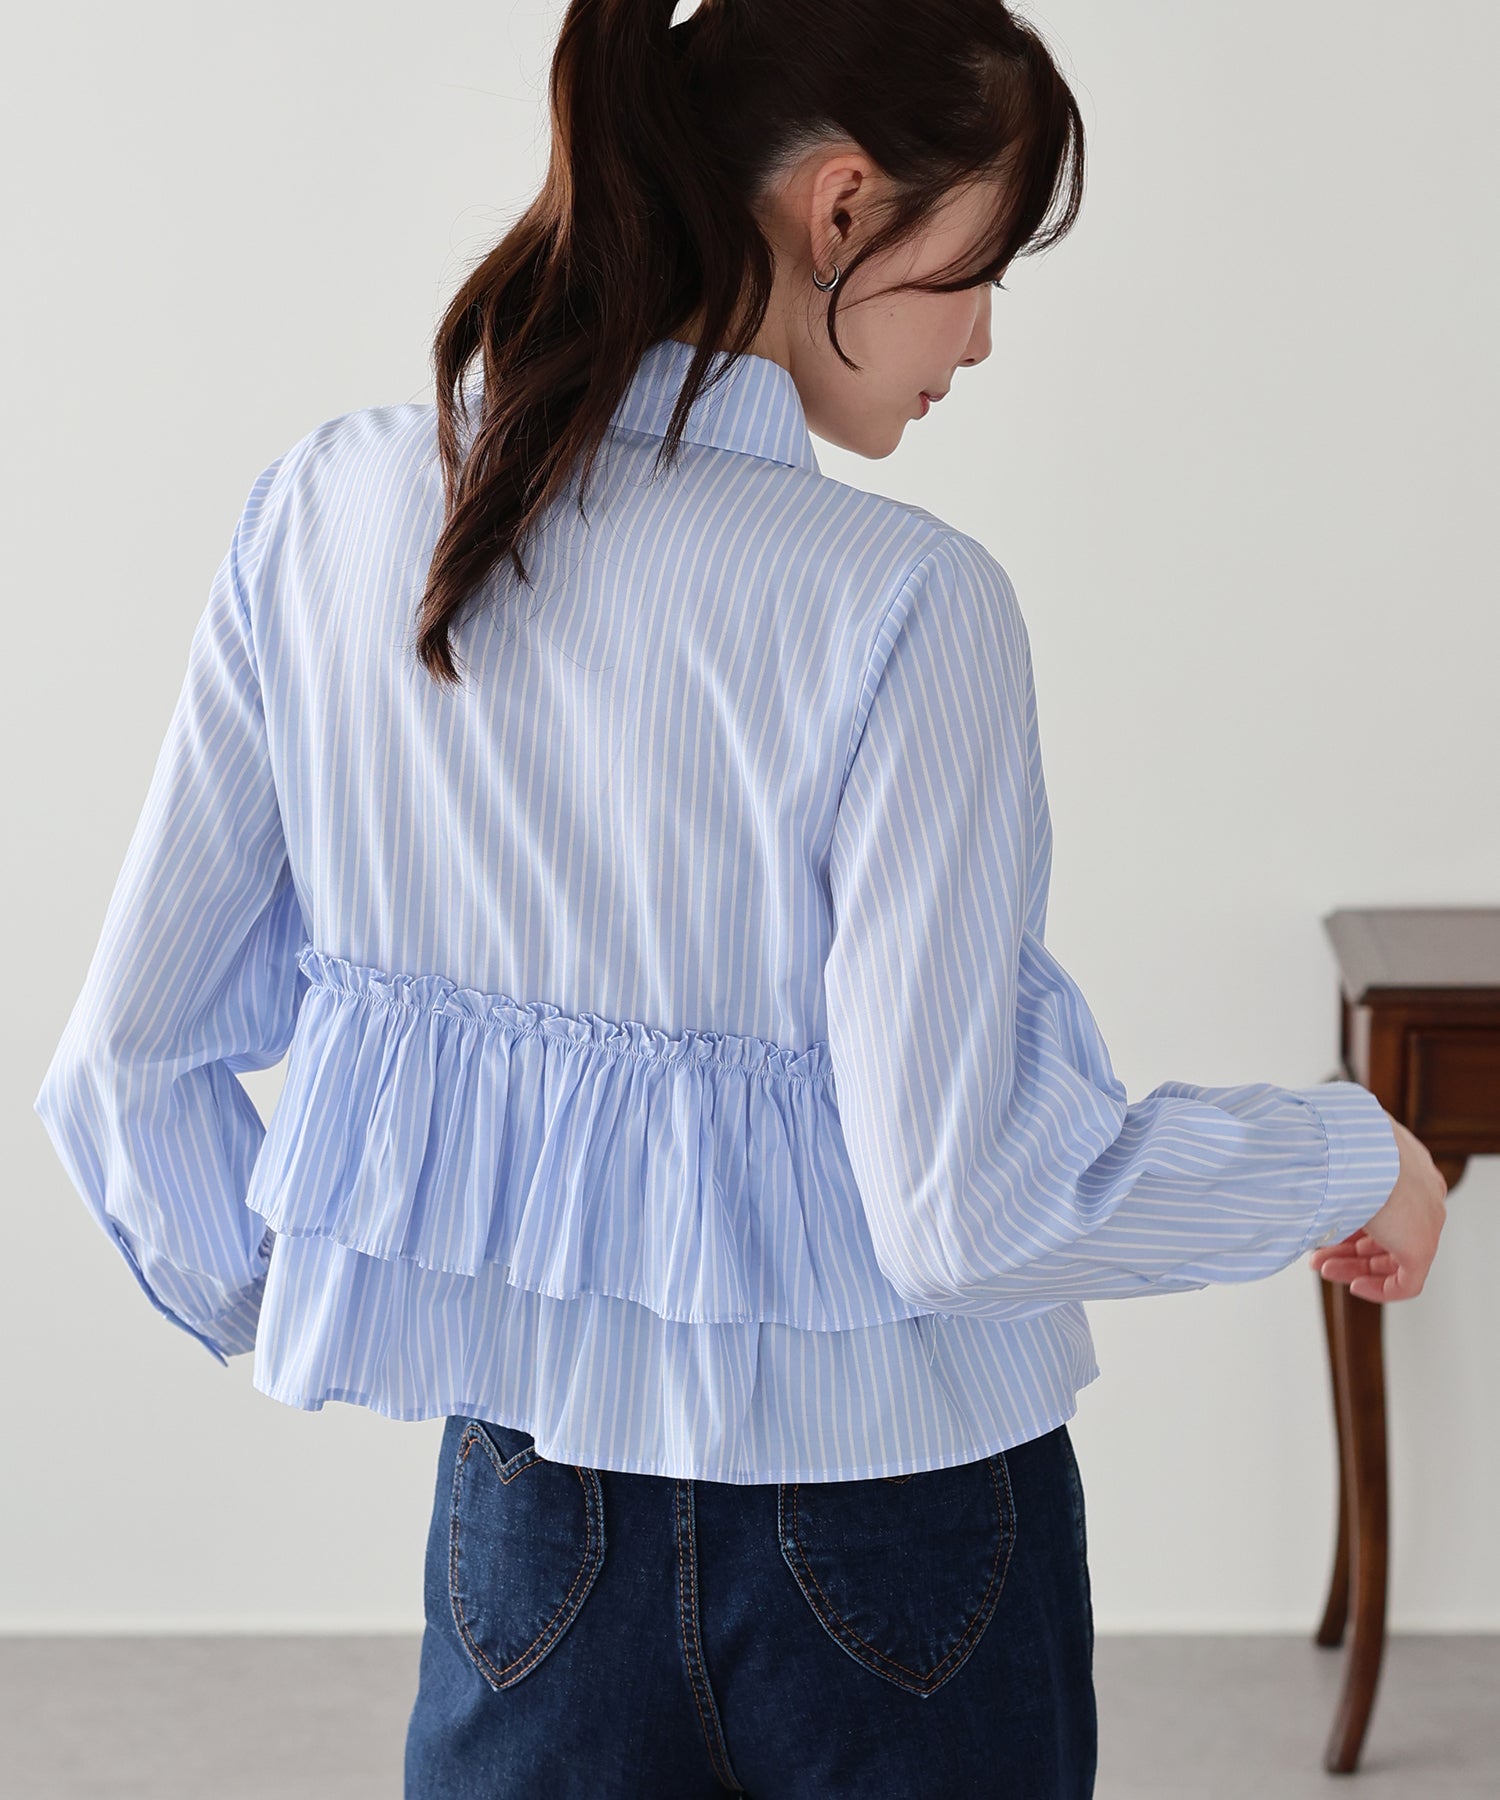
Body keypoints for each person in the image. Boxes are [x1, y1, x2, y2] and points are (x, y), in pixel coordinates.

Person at [32, 0, 1448, 1794]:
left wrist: (360, 1296)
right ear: (841, 207)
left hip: (526, 1520)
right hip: (908, 1544)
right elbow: (967, 1207)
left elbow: (122, 1077)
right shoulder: (907, 602)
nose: (984, 336)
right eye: (978, 268)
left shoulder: (330, 511)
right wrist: (1344, 1158)